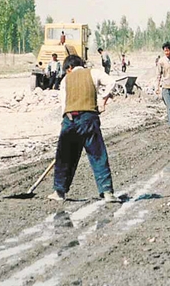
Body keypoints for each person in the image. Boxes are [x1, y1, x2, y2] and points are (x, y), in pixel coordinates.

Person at [48, 54, 120, 203]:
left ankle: (59, 192)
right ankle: (107, 192)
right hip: (89, 119)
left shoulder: (65, 80)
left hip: (69, 119)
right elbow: (112, 82)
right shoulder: (94, 73)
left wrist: (65, 124)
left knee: (65, 157)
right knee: (98, 155)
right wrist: (102, 98)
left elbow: (64, 103)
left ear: (69, 68)